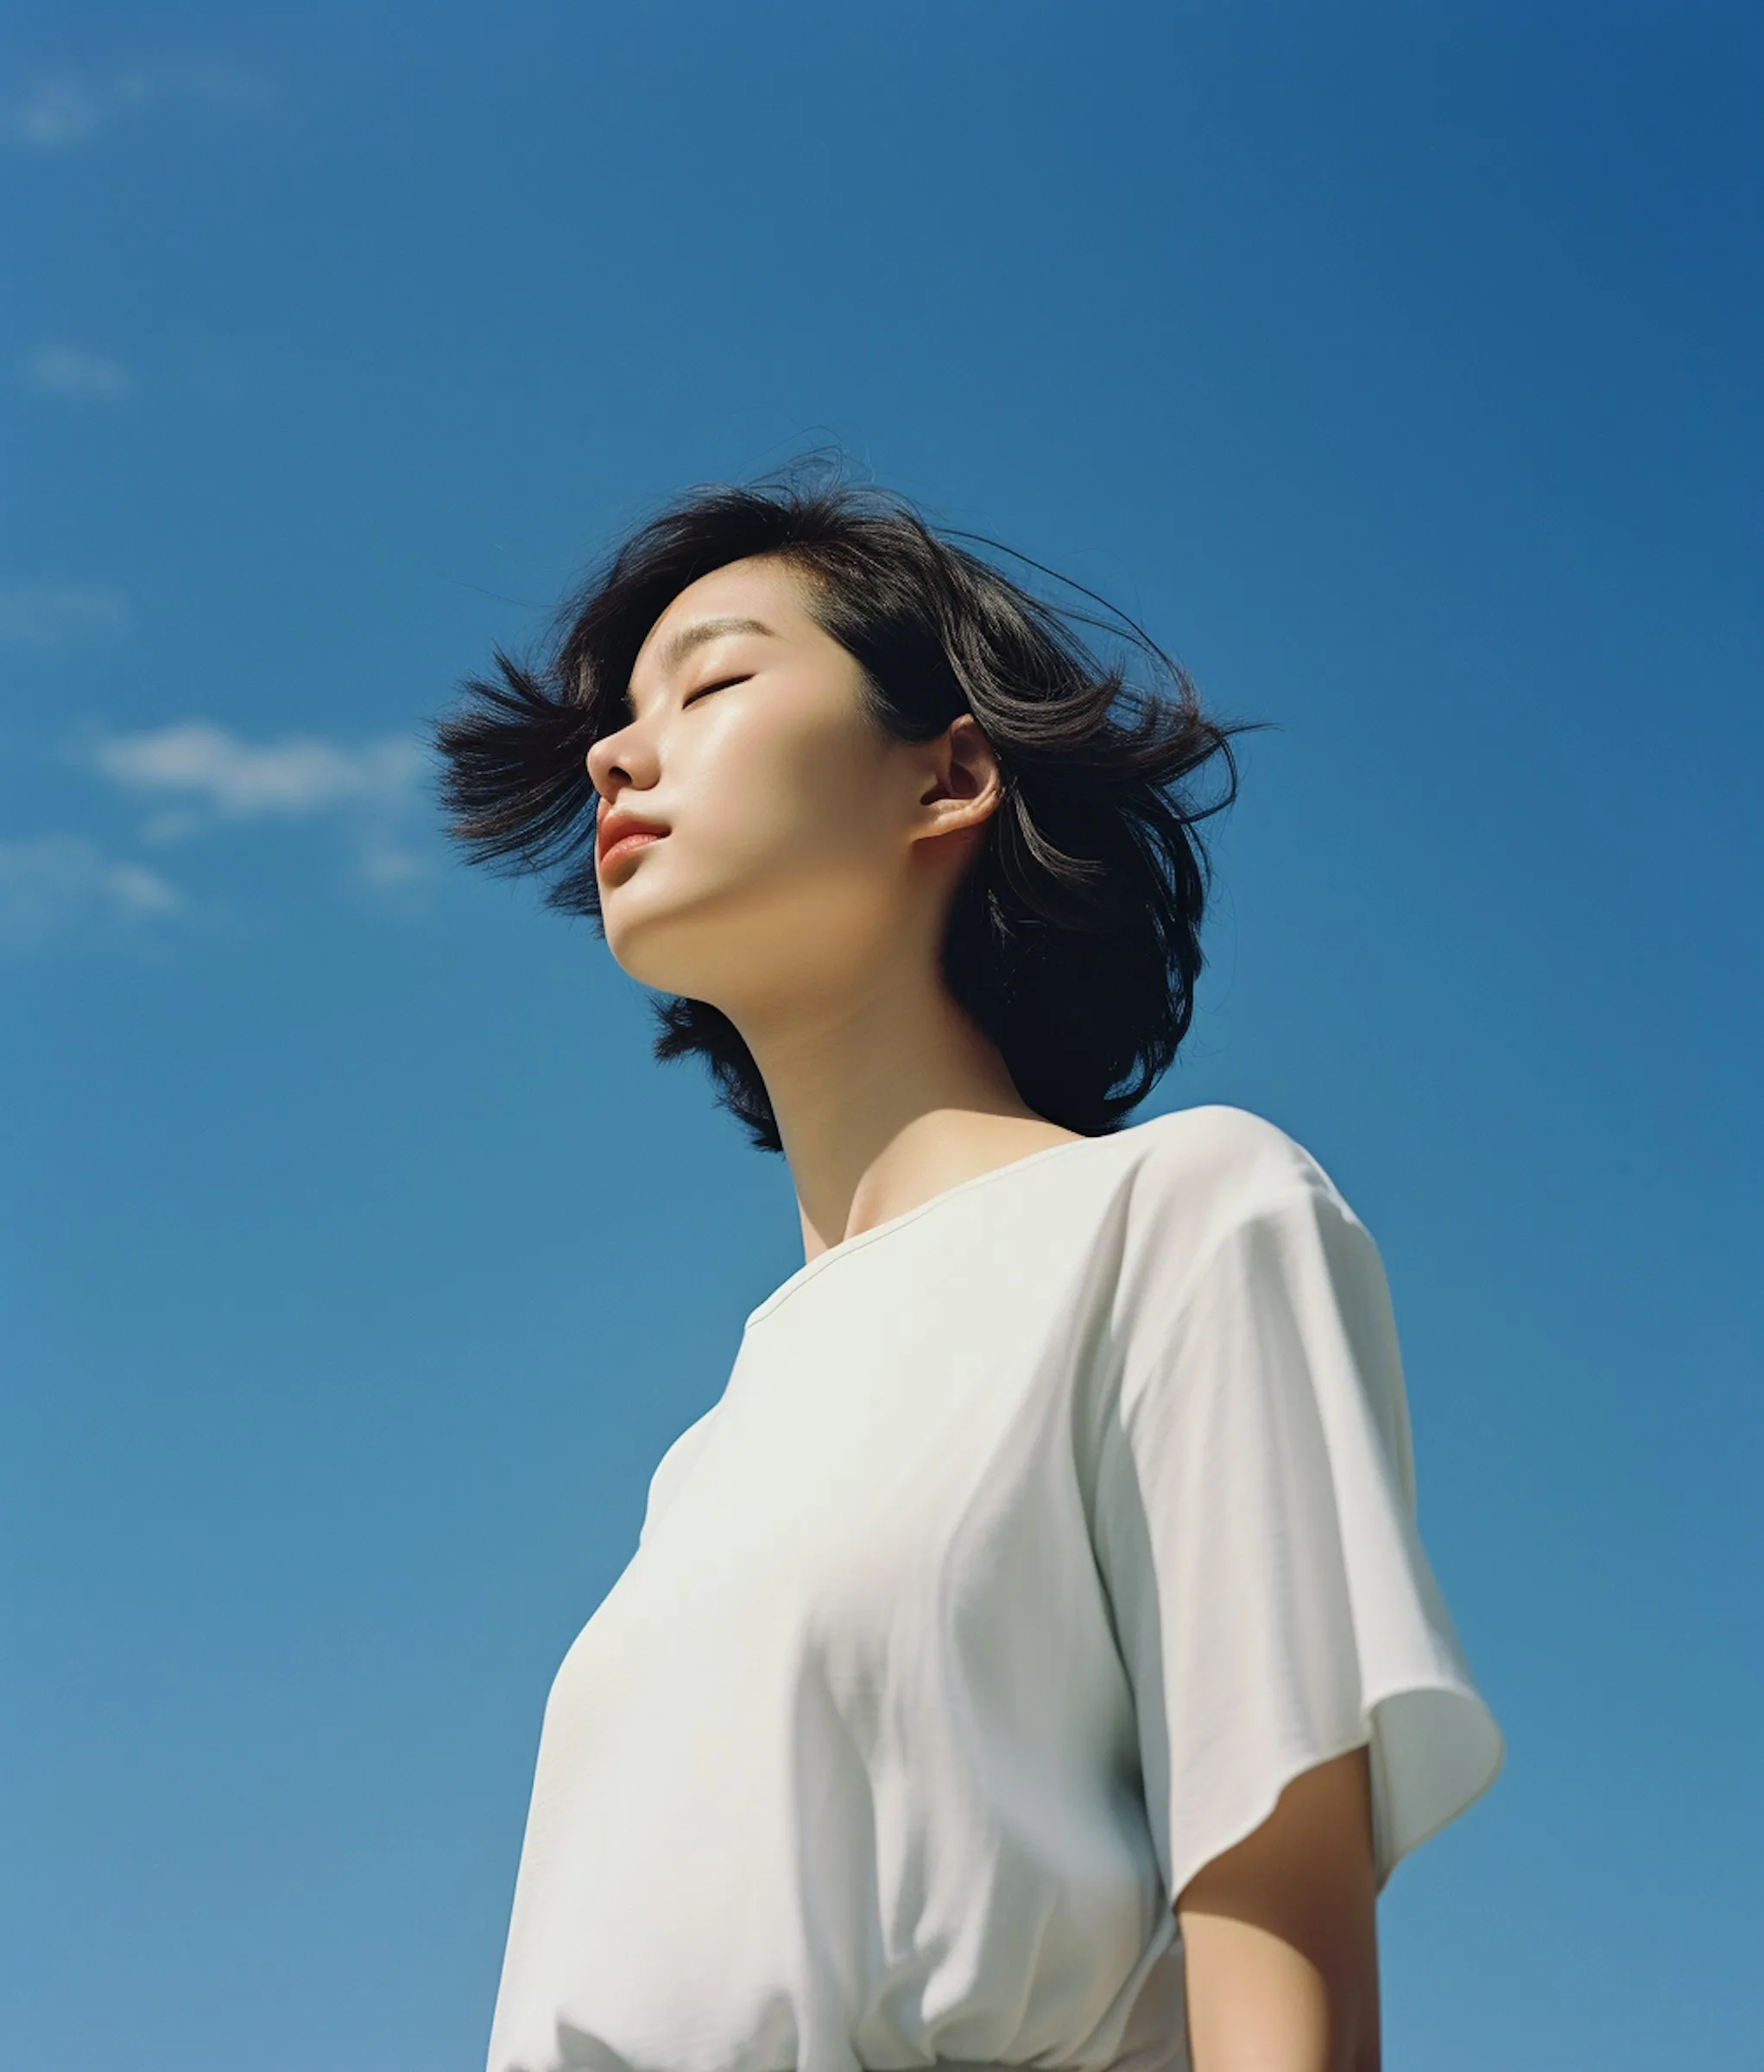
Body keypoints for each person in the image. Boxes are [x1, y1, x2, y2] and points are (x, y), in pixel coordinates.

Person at [436, 474, 1502, 2072]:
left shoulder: (1183, 1215)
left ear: (949, 774)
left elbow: (1276, 1934)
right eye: (616, 719)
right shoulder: (711, 1454)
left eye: (713, 683)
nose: (613, 752)